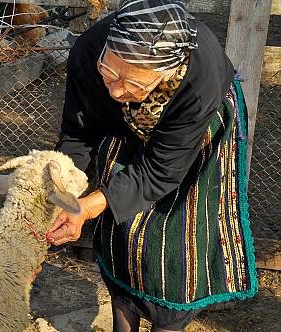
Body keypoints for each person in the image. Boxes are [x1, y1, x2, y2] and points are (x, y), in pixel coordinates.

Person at [46, 1, 257, 331]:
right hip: (125, 126)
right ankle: (124, 318)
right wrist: (63, 196)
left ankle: (168, 322)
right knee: (121, 222)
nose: (115, 91)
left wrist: (86, 208)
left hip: (189, 139)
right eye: (110, 72)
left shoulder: (198, 83)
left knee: (178, 238)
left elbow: (162, 171)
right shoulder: (89, 54)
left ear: (167, 74)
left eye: (132, 84)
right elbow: (78, 133)